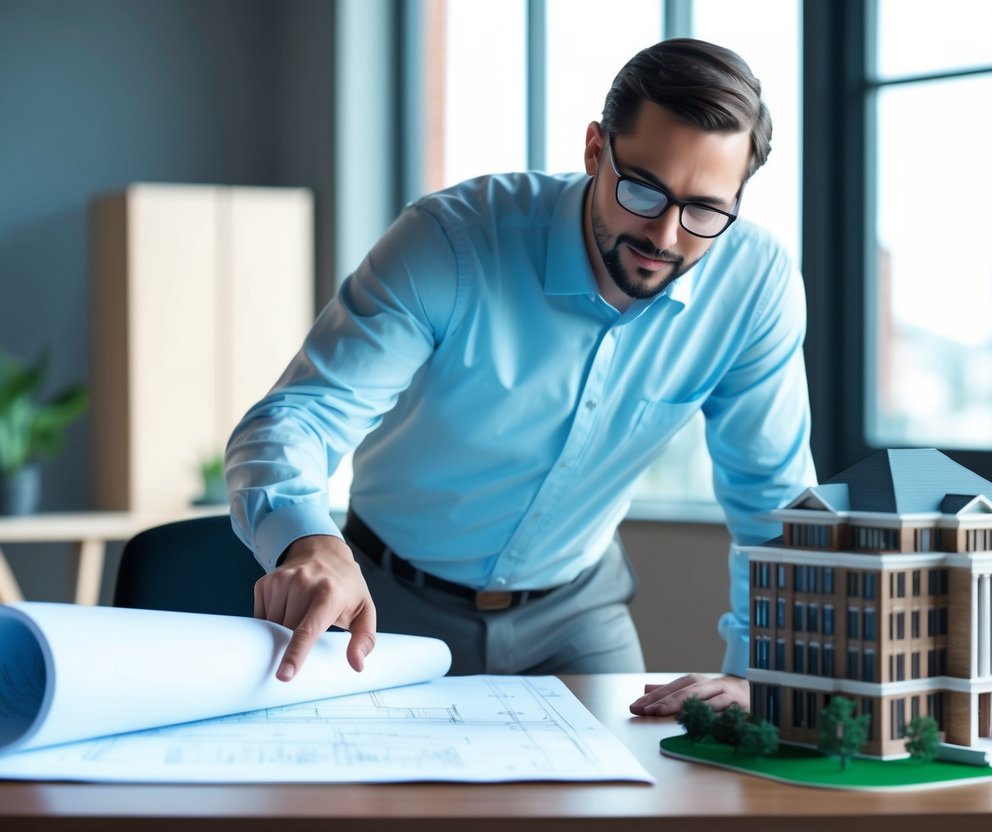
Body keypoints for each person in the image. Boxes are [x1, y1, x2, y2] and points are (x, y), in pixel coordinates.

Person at [225, 38, 815, 717]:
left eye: (705, 211)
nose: (666, 236)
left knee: (634, 799)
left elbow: (772, 504)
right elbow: (298, 417)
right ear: (596, 150)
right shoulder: (451, 243)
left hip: (574, 611)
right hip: (386, 601)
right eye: (642, 190)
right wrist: (308, 539)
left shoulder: (754, 286)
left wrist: (758, 673)